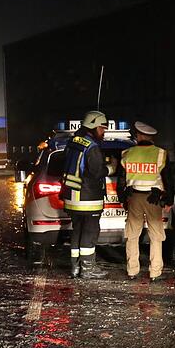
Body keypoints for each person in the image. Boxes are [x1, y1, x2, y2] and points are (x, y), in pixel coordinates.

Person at [119, 121, 172, 281]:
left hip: (134, 197)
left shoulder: (127, 153)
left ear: (140, 136)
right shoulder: (161, 153)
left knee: (132, 234)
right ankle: (155, 272)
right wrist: (168, 200)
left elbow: (121, 180)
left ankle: (132, 270)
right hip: (153, 198)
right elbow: (167, 178)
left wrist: (123, 199)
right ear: (151, 137)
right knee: (156, 235)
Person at [61, 110, 110, 279]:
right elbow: (97, 172)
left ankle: (75, 266)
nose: (103, 132)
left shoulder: (73, 141)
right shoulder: (93, 147)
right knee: (90, 232)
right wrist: (111, 168)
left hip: (71, 197)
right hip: (88, 199)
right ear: (93, 126)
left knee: (78, 230)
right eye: (102, 128)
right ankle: (88, 268)